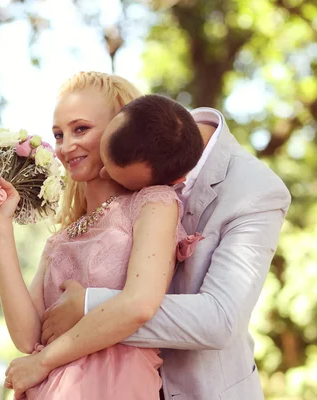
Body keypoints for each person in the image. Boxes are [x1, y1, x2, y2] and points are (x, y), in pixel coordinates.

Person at [0, 73, 204, 399]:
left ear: (120, 129)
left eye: (81, 129)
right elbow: (27, 337)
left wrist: (43, 362)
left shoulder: (153, 203)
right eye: (58, 134)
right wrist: (0, 230)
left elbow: (139, 306)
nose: (66, 146)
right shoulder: (61, 239)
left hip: (114, 384)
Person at [37, 100, 292, 399]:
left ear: (173, 181)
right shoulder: (145, 129)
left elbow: (220, 319)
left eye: (114, 176)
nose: (103, 176)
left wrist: (90, 308)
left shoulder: (256, 192)